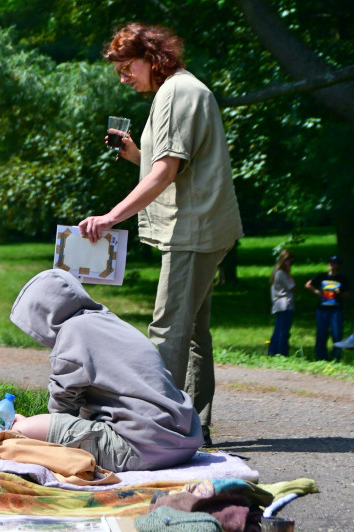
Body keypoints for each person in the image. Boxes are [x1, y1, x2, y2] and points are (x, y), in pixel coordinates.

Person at [77, 23, 242, 447]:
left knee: (168, 330)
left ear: (152, 58)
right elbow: (174, 168)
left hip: (194, 230)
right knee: (193, 333)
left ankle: (158, 429)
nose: (123, 77)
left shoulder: (176, 94)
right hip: (206, 227)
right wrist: (135, 153)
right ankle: (194, 426)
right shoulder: (182, 90)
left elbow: (166, 172)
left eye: (126, 66)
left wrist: (111, 216)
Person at [9, 269, 203, 472]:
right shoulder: (111, 323)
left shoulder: (73, 330)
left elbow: (63, 404)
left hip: (140, 447)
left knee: (22, 431)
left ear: (44, 315)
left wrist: (39, 426)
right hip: (182, 441)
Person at [305, 256, 349, 360]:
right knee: (321, 333)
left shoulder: (342, 279)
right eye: (330, 263)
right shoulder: (322, 277)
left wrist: (340, 294)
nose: (332, 265)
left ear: (339, 266)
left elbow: (347, 296)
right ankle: (321, 357)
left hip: (336, 309)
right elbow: (308, 285)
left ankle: (336, 357)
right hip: (322, 309)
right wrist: (317, 292)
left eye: (334, 263)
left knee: (337, 334)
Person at [268, 249, 296, 356]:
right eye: (290, 262)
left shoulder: (276, 272)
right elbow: (293, 287)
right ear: (284, 260)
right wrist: (289, 273)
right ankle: (282, 353)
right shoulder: (282, 274)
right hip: (286, 305)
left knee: (278, 330)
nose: (290, 264)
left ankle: (273, 352)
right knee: (283, 331)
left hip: (278, 305)